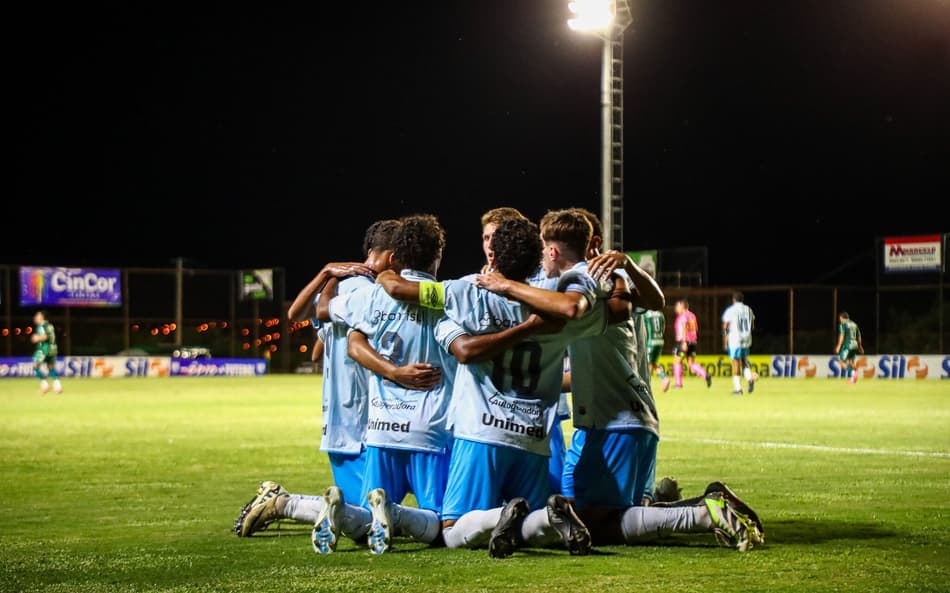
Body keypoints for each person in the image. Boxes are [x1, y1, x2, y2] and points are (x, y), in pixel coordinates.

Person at [322, 213, 457, 554]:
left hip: (381, 427)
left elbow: (347, 336)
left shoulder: (371, 296)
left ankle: (343, 514)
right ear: (437, 256)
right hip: (430, 429)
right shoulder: (446, 297)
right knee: (440, 525)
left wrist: (391, 373)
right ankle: (395, 514)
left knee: (369, 514)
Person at [722, 291, 757, 395]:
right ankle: (750, 378)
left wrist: (725, 341)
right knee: (744, 361)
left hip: (735, 339)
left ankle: (738, 389)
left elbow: (725, 327)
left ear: (733, 300)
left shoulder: (731, 310)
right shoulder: (748, 309)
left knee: (735, 363)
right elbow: (752, 326)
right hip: (746, 339)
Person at [671, 298, 711, 389]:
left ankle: (678, 383)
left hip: (684, 341)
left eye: (677, 306)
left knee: (677, 361)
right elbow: (696, 328)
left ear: (682, 306)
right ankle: (705, 375)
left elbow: (685, 327)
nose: (676, 308)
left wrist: (684, 342)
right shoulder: (692, 315)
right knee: (691, 364)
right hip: (692, 341)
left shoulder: (683, 316)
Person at [31, 310, 62, 394]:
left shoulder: (41, 326)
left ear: (42, 317)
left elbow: (45, 337)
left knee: (35, 366)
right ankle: (58, 386)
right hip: (53, 348)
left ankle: (45, 385)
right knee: (50, 367)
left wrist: (36, 338)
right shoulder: (49, 325)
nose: (35, 317)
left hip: (44, 349)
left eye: (37, 315)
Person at [835, 311, 864, 384]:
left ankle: (853, 376)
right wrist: (860, 347)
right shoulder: (855, 324)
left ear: (842, 318)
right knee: (851, 361)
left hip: (848, 345)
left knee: (841, 361)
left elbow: (842, 335)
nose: (840, 320)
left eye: (840, 319)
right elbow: (859, 337)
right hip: (855, 345)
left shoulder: (843, 324)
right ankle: (855, 374)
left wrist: (838, 345)